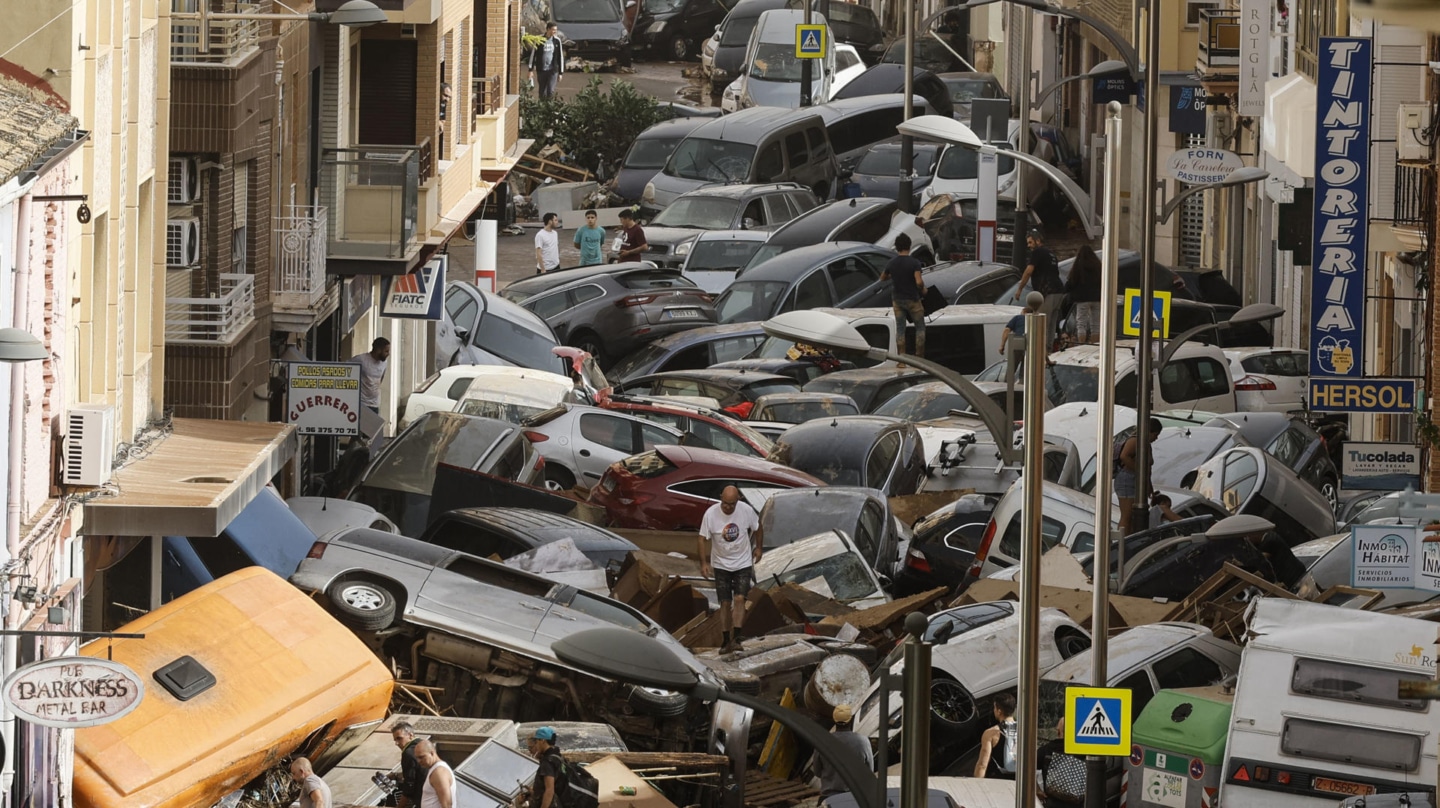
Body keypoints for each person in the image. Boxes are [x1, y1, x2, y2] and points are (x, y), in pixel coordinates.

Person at [698, 485, 762, 653]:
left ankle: (737, 636)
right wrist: (704, 563)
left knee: (740, 599)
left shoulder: (746, 511)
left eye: (731, 504)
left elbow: (758, 527)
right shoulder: (711, 514)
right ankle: (726, 639)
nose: (727, 507)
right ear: (721, 498)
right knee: (725, 603)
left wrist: (759, 548)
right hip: (721, 564)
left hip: (742, 562)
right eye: (725, 503)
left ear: (737, 501)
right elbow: (702, 539)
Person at [813, 704, 875, 801]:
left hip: (829, 798)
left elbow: (817, 772)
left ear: (834, 720)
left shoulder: (822, 741)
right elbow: (869, 772)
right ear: (851, 720)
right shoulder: (863, 741)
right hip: (855, 798)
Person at [880, 233, 926, 359]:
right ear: (909, 246)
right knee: (920, 328)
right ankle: (919, 357)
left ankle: (901, 359)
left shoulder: (892, 263)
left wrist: (894, 275)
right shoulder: (914, 263)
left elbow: (882, 278)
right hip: (913, 299)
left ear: (897, 247)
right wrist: (923, 288)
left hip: (897, 300)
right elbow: (918, 282)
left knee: (900, 329)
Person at [1014, 232, 1063, 349]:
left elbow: (1029, 271)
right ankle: (1049, 349)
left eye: (1030, 242)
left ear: (1038, 241)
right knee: (1051, 324)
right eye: (1028, 243)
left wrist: (1020, 289)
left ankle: (1042, 351)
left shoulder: (1038, 252)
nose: (1029, 245)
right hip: (1059, 291)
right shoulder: (1051, 253)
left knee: (1043, 323)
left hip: (1047, 291)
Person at [1116, 417, 1163, 537]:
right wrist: (1139, 471)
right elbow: (1124, 456)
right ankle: (1122, 542)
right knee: (1127, 515)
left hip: (1137, 480)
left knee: (1133, 515)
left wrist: (1149, 486)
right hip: (1128, 479)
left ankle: (1129, 537)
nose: (1156, 438)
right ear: (1149, 432)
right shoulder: (1135, 441)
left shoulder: (1146, 445)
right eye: (1155, 434)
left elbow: (1148, 468)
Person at [972, 693, 1018, 780]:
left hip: (997, 781)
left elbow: (982, 764)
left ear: (999, 711)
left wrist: (977, 783)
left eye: (994, 707)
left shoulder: (991, 733)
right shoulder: (1025, 732)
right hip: (1019, 782)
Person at [1065, 244, 1102, 344]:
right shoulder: (1098, 266)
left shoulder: (1078, 266)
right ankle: (1095, 345)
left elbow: (1071, 283)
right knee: (1096, 324)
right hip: (1097, 298)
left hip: (1082, 299)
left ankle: (1081, 344)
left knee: (1081, 323)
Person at [386, 721, 424, 808]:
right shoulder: (423, 744)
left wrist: (400, 806)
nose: (396, 743)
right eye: (395, 740)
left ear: (410, 735)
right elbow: (417, 771)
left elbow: (409, 785)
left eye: (399, 738)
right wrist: (396, 775)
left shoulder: (408, 753)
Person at [351, 337, 391, 415]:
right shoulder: (361, 359)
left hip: (375, 404)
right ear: (378, 350)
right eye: (386, 351)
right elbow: (345, 368)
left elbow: (380, 379)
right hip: (361, 403)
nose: (388, 354)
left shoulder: (384, 363)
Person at [526, 726, 563, 808]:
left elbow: (549, 790)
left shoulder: (548, 762)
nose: (536, 744)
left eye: (537, 741)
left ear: (542, 740)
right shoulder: (557, 757)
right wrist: (533, 793)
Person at [528, 23, 565, 100]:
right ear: (548, 29)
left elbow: (560, 56)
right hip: (541, 70)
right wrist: (530, 69)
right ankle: (542, 108)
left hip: (552, 70)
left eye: (555, 30)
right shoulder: (539, 39)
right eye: (553, 30)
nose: (555, 32)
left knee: (550, 90)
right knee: (542, 91)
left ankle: (549, 108)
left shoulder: (557, 41)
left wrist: (561, 72)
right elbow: (533, 54)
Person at [415, 739, 454, 808]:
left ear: (432, 753)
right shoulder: (435, 770)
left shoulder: (439, 772)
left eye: (421, 757)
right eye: (417, 758)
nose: (419, 761)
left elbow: (447, 804)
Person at [998, 301, 1032, 377]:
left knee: (1012, 367)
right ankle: (1022, 381)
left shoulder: (1018, 317)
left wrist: (1002, 345)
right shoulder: (1035, 319)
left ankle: (1006, 383)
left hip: (1018, 342)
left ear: (1024, 312)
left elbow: (1007, 330)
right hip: (1031, 344)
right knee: (1026, 369)